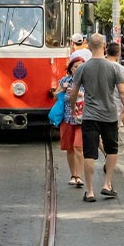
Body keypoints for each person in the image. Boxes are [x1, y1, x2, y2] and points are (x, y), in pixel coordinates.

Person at [69, 34, 124, 203]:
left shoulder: (82, 68)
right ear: (104, 46)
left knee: (89, 152)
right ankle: (107, 184)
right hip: (110, 116)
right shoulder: (115, 68)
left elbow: (73, 92)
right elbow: (123, 93)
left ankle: (89, 191)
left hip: (89, 116)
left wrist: (73, 107)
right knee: (112, 150)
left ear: (88, 46)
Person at [56, 55, 86, 187]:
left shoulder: (88, 81)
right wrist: (62, 89)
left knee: (78, 147)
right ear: (70, 68)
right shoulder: (65, 80)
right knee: (69, 148)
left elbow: (93, 97)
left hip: (82, 118)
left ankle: (79, 176)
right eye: (75, 66)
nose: (78, 69)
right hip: (67, 118)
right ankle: (73, 175)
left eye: (81, 66)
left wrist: (80, 94)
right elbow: (55, 95)